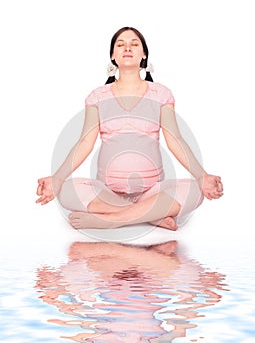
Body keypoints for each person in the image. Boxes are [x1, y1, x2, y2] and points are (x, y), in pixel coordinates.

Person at [36, 27, 223, 231]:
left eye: (134, 44)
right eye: (120, 44)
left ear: (144, 54)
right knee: (65, 189)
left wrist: (202, 175)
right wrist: (57, 178)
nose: (127, 48)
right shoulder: (97, 96)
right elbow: (84, 143)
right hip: (106, 191)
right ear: (112, 56)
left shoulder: (161, 94)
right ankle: (151, 216)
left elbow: (175, 139)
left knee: (195, 190)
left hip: (153, 191)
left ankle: (112, 219)